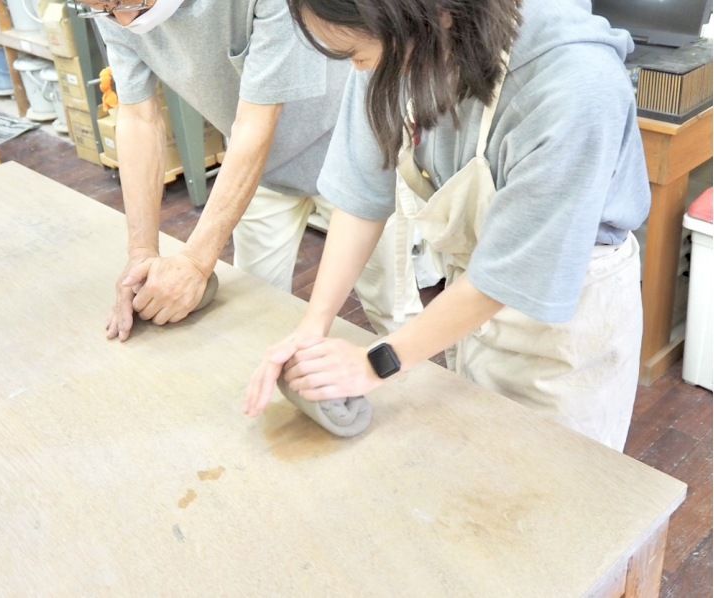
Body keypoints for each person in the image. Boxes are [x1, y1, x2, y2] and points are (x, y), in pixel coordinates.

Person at [245, 0, 651, 451]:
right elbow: (361, 196)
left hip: (565, 321)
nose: (358, 72)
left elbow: (510, 275)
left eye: (359, 54)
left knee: (556, 484)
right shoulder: (399, 47)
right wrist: (312, 327)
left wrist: (375, 364)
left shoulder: (575, 85)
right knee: (477, 463)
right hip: (470, 295)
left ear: (431, 16)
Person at [81, 0, 423, 341]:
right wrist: (140, 255)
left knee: (393, 312)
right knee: (254, 312)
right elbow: (138, 118)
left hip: (353, 154)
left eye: (128, 2)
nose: (122, 20)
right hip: (260, 172)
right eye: (103, 9)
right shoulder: (110, 9)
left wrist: (196, 262)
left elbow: (257, 122)